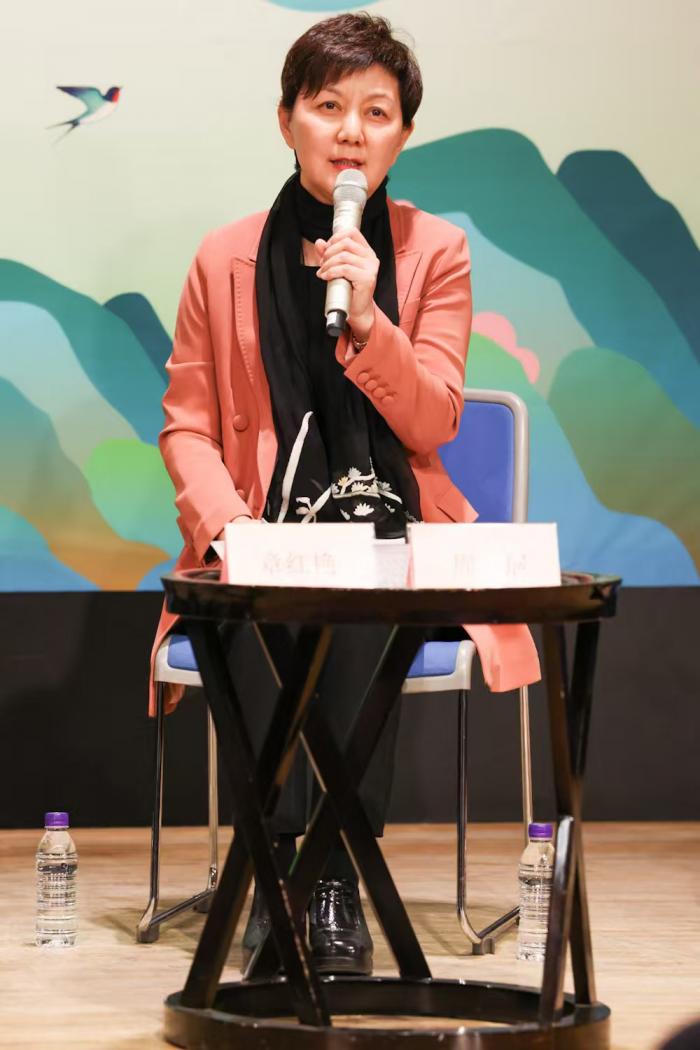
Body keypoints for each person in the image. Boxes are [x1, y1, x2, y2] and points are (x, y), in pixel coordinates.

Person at [149, 12, 541, 976]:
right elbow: (187, 426)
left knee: (358, 592)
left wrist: (367, 316)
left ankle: (324, 873)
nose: (352, 132)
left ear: (403, 135)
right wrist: (229, 529)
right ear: (287, 121)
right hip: (260, 532)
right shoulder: (223, 256)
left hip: (395, 527)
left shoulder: (435, 251)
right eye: (329, 107)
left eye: (377, 111)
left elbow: (435, 420)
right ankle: (278, 864)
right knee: (265, 600)